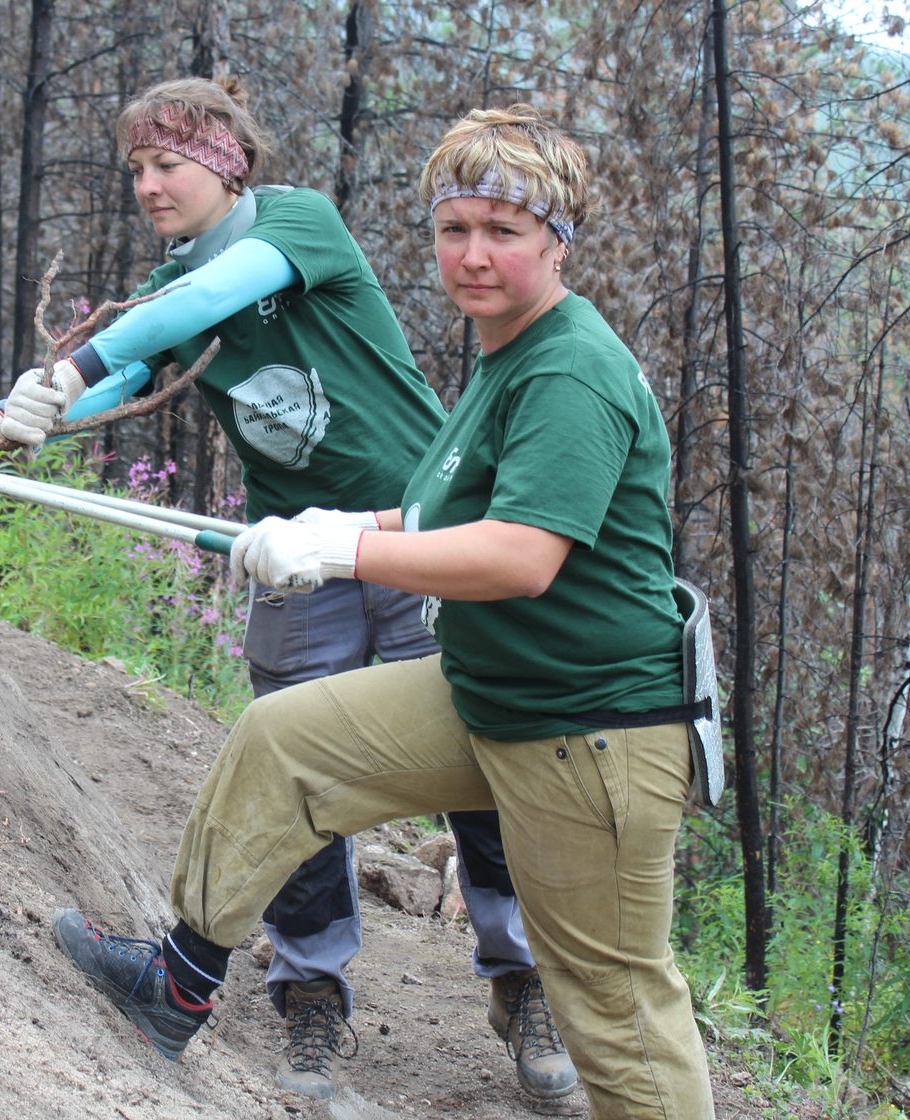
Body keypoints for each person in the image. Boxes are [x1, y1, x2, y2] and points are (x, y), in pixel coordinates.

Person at [0, 78, 576, 1103]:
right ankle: (313, 997)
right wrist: (4, 421)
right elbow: (137, 362)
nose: (146, 184)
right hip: (292, 551)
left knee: (471, 758)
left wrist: (68, 371)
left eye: (165, 163)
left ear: (224, 163)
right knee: (297, 762)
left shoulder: (294, 225)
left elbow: (203, 305)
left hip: (413, 531)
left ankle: (523, 978)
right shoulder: (173, 283)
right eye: (134, 168)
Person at [47, 103, 717, 1120]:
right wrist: (330, 522)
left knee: (616, 1003)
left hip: (590, 734)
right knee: (284, 739)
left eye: (505, 231)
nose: (475, 255)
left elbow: (522, 556)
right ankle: (177, 984)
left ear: (557, 240)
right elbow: (446, 504)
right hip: (496, 697)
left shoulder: (571, 365)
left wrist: (338, 548)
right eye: (457, 229)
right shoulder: (504, 351)